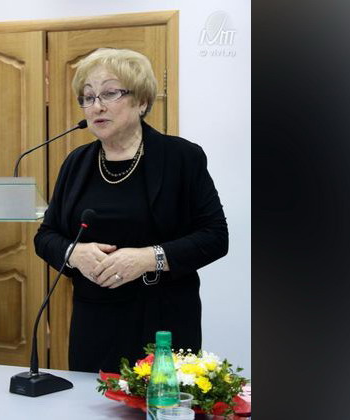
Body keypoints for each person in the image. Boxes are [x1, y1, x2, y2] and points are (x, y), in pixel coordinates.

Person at [34, 48, 228, 373]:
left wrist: (148, 258)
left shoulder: (181, 158)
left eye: (110, 93)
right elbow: (45, 236)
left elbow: (215, 237)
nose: (97, 106)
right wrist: (74, 253)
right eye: (88, 97)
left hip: (163, 320)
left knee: (160, 399)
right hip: (94, 321)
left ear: (141, 102)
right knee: (90, 399)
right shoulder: (76, 163)